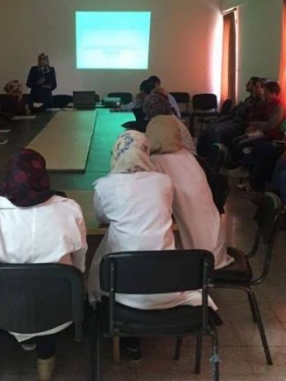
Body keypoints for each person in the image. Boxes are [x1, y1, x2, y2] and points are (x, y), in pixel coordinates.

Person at [0, 149, 87, 381]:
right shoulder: (69, 209)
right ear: (43, 175)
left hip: (5, 310)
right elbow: (78, 266)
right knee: (49, 298)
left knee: (16, 296)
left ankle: (24, 338)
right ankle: (46, 356)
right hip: (59, 310)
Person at [88, 130, 214, 361]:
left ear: (115, 154)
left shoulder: (104, 186)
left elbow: (102, 217)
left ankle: (123, 336)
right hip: (170, 287)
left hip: (121, 289)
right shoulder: (163, 181)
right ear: (146, 152)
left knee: (105, 257)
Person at [144, 115, 232, 269]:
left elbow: (148, 203)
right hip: (214, 246)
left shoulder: (156, 161)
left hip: (197, 259)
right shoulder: (188, 156)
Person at [196, 76, 264, 160]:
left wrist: (256, 94)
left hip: (241, 125)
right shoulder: (248, 99)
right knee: (209, 128)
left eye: (249, 84)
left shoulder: (259, 101)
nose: (246, 84)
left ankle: (215, 158)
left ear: (255, 87)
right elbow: (235, 112)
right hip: (233, 120)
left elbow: (252, 116)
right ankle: (203, 155)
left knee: (215, 131)